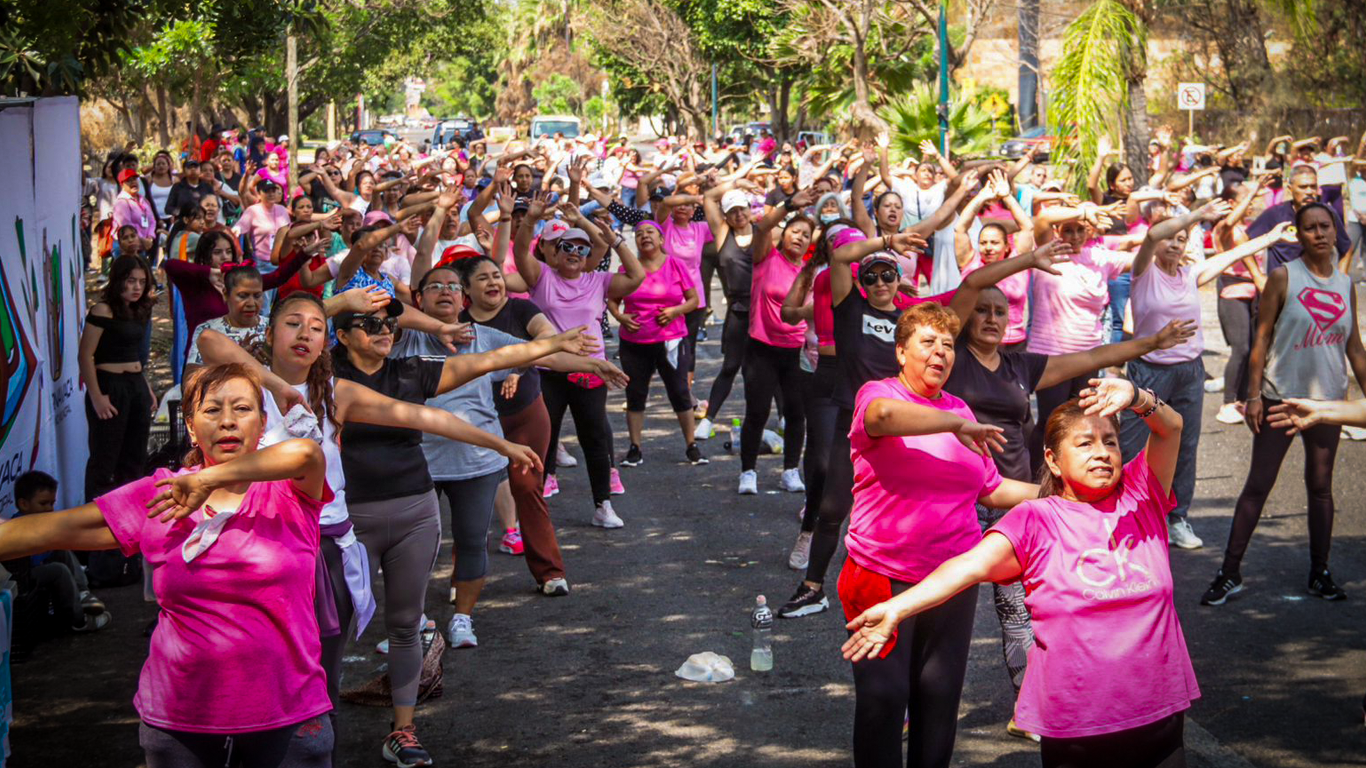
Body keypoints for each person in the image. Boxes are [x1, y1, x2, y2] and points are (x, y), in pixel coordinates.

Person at [196, 291, 540, 763]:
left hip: (322, 545)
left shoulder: (335, 392)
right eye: (293, 324)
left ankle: (325, 748)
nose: (304, 334)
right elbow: (209, 340)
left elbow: (424, 416)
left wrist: (501, 445)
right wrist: (285, 371)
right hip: (258, 543)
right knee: (260, 650)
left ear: (326, 343)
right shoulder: (242, 388)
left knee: (326, 656)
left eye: (315, 328)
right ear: (269, 333)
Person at [844, 377, 1195, 768]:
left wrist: (1137, 397)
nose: (1101, 453)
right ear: (1053, 461)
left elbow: (1171, 427)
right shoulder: (1035, 520)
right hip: (1079, 729)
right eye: (1085, 443)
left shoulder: (1141, 496)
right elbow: (968, 566)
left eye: (1109, 442)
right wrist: (897, 607)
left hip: (1161, 719)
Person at [0, 364, 336, 767]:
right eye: (212, 410)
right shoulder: (162, 493)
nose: (228, 421)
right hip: (181, 719)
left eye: (242, 408)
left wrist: (206, 481)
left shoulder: (291, 492)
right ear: (191, 428)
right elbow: (52, 529)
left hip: (288, 713)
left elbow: (306, 453)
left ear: (263, 423)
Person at [331, 296, 591, 764]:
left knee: (406, 623)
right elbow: (268, 339)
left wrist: (550, 344)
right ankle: (316, 724)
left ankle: (403, 730)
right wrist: (338, 301)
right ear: (342, 335)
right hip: (348, 519)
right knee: (333, 626)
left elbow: (488, 359)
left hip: (413, 509)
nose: (384, 329)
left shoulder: (410, 371)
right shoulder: (324, 378)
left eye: (388, 323)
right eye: (368, 323)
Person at [945, 284, 1195, 734]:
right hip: (958, 499)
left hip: (1014, 492)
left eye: (1001, 311)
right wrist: (1025, 260)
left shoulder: (1019, 366)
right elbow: (968, 288)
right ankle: (920, 700)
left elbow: (1091, 358)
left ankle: (1028, 708)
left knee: (1017, 613)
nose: (991, 318)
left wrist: (1152, 343)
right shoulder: (953, 360)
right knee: (950, 604)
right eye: (981, 310)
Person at [837, 303, 1040, 768]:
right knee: (885, 698)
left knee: (939, 700)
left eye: (948, 345)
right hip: (882, 575)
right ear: (901, 352)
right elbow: (883, 417)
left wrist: (1057, 494)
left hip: (951, 581)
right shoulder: (879, 394)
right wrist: (953, 423)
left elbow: (991, 489)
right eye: (928, 342)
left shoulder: (959, 408)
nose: (940, 352)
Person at [1202, 202, 1366, 605]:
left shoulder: (1345, 284)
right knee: (1258, 485)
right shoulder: (1283, 277)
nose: (1319, 234)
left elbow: (1355, 348)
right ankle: (1229, 572)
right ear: (1299, 235)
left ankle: (1320, 572)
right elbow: (1261, 338)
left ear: (1336, 231)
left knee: (1321, 486)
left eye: (1325, 226)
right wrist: (1253, 395)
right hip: (1280, 398)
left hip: (1329, 401)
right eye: (1310, 228)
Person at [1121, 200, 1298, 549]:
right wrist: (1196, 216)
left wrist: (1271, 238)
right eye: (1170, 237)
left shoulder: (1190, 274)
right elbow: (1153, 235)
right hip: (1149, 372)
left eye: (1181, 239)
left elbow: (1234, 254)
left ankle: (1177, 518)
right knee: (1133, 447)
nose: (1174, 244)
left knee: (1185, 448)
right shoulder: (1144, 273)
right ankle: (1129, 516)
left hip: (1189, 373)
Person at [454, 256, 626, 593]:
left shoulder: (521, 309)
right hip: (476, 421)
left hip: (525, 414)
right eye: (483, 278)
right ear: (466, 289)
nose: (493, 283)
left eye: (496, 275)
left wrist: (592, 365)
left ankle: (550, 574)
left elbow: (548, 345)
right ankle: (462, 578)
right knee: (470, 495)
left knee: (527, 486)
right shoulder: (458, 324)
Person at [507, 195, 645, 525]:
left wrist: (613, 240)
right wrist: (531, 220)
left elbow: (636, 276)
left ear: (589, 257)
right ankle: (534, 510)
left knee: (594, 437)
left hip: (590, 370)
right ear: (554, 253)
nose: (574, 253)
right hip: (547, 369)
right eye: (567, 247)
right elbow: (520, 253)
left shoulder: (599, 281)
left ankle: (603, 505)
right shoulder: (541, 276)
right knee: (544, 438)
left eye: (582, 249)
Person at [607, 220, 705, 466]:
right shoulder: (628, 268)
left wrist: (675, 311)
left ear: (661, 239)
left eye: (650, 232)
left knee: (680, 391)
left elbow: (693, 300)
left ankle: (691, 445)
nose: (644, 236)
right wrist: (620, 317)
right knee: (635, 393)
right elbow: (612, 299)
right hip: (635, 341)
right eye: (639, 234)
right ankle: (635, 448)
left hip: (671, 340)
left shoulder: (675, 264)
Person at [737, 206, 817, 495]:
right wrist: (789, 204)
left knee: (796, 413)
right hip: (761, 348)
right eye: (794, 231)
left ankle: (790, 471)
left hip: (796, 351)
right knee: (757, 412)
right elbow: (760, 228)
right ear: (783, 235)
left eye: (805, 234)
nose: (799, 237)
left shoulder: (809, 272)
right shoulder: (766, 258)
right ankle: (748, 472)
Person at [2, 471, 110, 657]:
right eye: (43, 503)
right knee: (58, 570)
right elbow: (29, 560)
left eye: (51, 504)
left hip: (34, 571)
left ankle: (83, 593)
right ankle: (78, 620)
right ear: (24, 504)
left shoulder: (41, 523)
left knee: (62, 548)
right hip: (23, 578)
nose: (49, 509)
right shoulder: (19, 525)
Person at [79, 254, 157, 502]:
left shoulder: (138, 310)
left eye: (142, 282)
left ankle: (130, 510)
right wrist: (96, 397)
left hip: (136, 386)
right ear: (118, 280)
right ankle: (94, 513)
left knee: (135, 455)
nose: (137, 287)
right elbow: (85, 355)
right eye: (131, 280)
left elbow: (135, 354)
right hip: (110, 386)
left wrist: (146, 388)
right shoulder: (102, 309)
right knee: (105, 456)